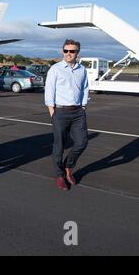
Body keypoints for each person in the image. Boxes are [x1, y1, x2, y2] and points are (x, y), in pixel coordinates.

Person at [45, 39, 89, 191]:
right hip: (60, 111)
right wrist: (52, 112)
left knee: (82, 142)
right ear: (62, 51)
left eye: (72, 51)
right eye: (66, 50)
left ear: (78, 53)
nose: (68, 54)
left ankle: (68, 167)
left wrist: (83, 106)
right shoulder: (55, 69)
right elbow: (49, 91)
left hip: (78, 112)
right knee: (60, 145)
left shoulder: (82, 70)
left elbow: (85, 88)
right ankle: (59, 175)